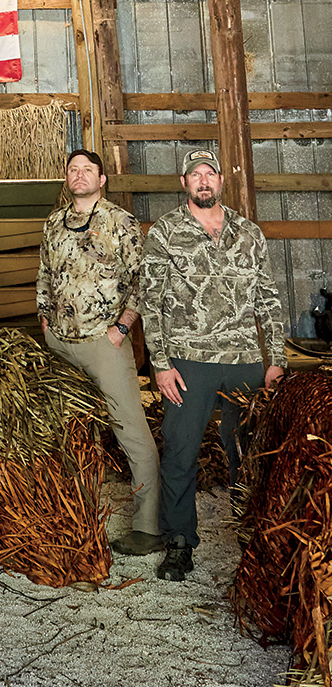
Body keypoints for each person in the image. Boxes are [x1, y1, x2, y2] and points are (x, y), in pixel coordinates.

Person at [140, 149, 286, 582]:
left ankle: (253, 536)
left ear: (221, 180)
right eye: (195, 175)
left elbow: (269, 299)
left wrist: (275, 361)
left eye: (210, 174)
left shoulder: (248, 232)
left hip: (243, 361)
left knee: (248, 452)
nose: (203, 181)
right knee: (182, 451)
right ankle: (180, 542)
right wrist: (160, 366)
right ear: (183, 182)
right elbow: (150, 302)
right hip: (189, 362)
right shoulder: (166, 232)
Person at [37, 148, 160, 556]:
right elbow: (44, 275)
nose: (79, 175)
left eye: (87, 169)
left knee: (131, 432)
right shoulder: (54, 223)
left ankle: (146, 525)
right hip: (60, 343)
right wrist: (44, 320)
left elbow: (144, 279)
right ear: (65, 177)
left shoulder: (119, 222)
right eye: (72, 169)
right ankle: (69, 516)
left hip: (104, 344)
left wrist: (122, 326)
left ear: (101, 179)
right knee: (63, 430)